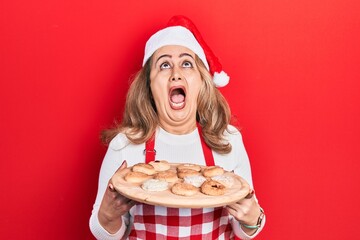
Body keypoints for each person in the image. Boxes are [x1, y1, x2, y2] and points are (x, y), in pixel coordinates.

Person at [89, 15, 265, 239]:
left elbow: (245, 229)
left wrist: (252, 219)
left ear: (202, 82)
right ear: (149, 86)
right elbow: (102, 232)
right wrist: (107, 216)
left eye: (186, 63)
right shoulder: (125, 145)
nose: (175, 74)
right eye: (164, 65)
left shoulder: (228, 141)